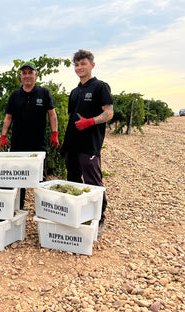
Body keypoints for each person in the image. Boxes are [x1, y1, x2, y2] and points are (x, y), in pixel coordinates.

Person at [61, 49, 114, 236]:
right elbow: (71, 118)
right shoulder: (75, 91)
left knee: (93, 182)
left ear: (92, 65)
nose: (79, 67)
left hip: (89, 143)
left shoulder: (100, 87)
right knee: (73, 180)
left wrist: (90, 121)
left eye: (83, 64)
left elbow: (109, 113)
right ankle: (78, 214)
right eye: (76, 64)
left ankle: (99, 217)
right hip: (72, 143)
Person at [0, 61, 59, 208]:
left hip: (38, 143)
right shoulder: (14, 95)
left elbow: (52, 115)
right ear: (20, 76)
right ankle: (18, 208)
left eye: (30, 72)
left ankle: (43, 210)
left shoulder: (44, 93)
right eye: (24, 73)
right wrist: (3, 136)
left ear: (35, 75)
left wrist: (55, 134)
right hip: (18, 143)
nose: (27, 76)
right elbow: (8, 117)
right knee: (18, 177)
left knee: (40, 179)